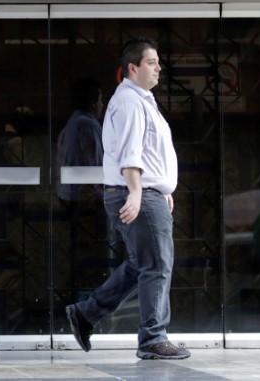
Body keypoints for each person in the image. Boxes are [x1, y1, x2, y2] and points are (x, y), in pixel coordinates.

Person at [65, 37, 191, 360]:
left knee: (141, 265)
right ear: (132, 68)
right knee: (158, 264)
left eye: (158, 62)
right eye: (152, 62)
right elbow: (130, 151)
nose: (159, 68)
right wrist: (138, 191)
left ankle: (86, 313)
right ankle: (152, 337)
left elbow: (147, 152)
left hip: (146, 192)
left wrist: (162, 189)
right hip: (136, 192)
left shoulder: (141, 99)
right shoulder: (131, 101)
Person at [55, 77, 104, 302]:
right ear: (94, 102)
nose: (103, 105)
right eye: (101, 100)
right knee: (92, 257)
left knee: (79, 257)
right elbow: (96, 167)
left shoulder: (71, 124)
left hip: (70, 197)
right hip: (86, 201)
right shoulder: (88, 124)